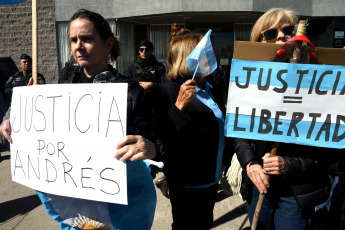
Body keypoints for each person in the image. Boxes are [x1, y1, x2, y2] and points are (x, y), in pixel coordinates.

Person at [2, 9, 165, 230]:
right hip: (75, 210)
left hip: (123, 207)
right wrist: (16, 119)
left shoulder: (131, 91)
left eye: (86, 38)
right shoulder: (61, 90)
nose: (78, 45)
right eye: (73, 40)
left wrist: (151, 148)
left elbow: (156, 139)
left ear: (108, 45)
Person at [234, 8, 343, 230]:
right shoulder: (249, 83)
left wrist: (289, 164)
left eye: (287, 30)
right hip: (259, 186)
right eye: (271, 33)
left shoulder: (323, 84)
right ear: (260, 42)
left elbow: (331, 151)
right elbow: (239, 132)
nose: (281, 36)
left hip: (298, 194)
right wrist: (250, 163)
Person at [153, 23, 229, 230]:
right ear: (187, 57)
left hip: (211, 178)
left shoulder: (209, 87)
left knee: (204, 224)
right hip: (187, 182)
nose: (209, 57)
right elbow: (162, 139)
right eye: (204, 53)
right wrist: (178, 108)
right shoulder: (168, 91)